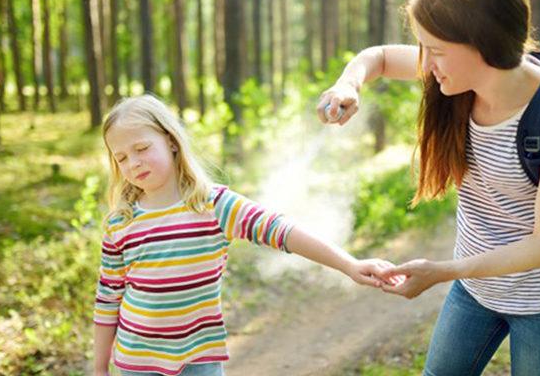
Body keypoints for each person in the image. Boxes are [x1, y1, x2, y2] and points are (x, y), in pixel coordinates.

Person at [318, 0, 540, 375]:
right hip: (475, 291)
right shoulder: (456, 78)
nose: (426, 63)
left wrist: (442, 271)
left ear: (484, 42)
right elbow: (380, 57)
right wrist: (348, 84)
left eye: (435, 50)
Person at [93, 94, 394, 376]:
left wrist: (349, 265)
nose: (133, 163)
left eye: (142, 149)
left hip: (199, 362)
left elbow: (283, 231)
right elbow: (108, 298)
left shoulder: (214, 205)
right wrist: (100, 369)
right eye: (121, 158)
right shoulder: (122, 222)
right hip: (136, 363)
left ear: (171, 141)